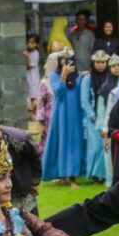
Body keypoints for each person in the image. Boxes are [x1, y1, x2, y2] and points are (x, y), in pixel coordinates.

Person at [0, 120, 43, 215]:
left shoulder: (17, 140)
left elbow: (34, 156)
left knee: (27, 214)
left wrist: (34, 181)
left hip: (20, 185)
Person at [42, 49, 85, 188]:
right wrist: (64, 75)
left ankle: (73, 177)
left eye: (68, 58)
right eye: (62, 59)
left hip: (76, 115)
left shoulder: (78, 76)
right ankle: (61, 174)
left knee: (74, 143)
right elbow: (58, 92)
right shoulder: (54, 76)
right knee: (61, 142)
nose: (65, 61)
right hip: (60, 115)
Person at [81, 50, 115, 183]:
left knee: (105, 147)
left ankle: (104, 174)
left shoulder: (110, 77)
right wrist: (92, 115)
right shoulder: (87, 79)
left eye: (103, 62)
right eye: (98, 62)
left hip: (107, 116)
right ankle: (93, 175)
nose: (101, 65)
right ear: (93, 63)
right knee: (94, 148)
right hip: (93, 119)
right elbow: (84, 99)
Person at [102, 55, 119, 185]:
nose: (117, 68)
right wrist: (105, 130)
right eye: (114, 66)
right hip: (115, 127)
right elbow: (108, 112)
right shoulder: (111, 90)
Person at [36, 50, 63, 152]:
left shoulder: (65, 80)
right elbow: (40, 104)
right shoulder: (45, 83)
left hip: (62, 118)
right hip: (49, 121)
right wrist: (41, 124)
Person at [23, 34, 41, 115]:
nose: (30, 44)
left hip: (33, 76)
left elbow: (29, 67)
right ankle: (32, 113)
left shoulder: (36, 53)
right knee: (30, 95)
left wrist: (27, 57)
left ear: (36, 44)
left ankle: (34, 114)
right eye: (29, 42)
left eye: (32, 43)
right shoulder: (27, 51)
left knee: (34, 96)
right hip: (28, 76)